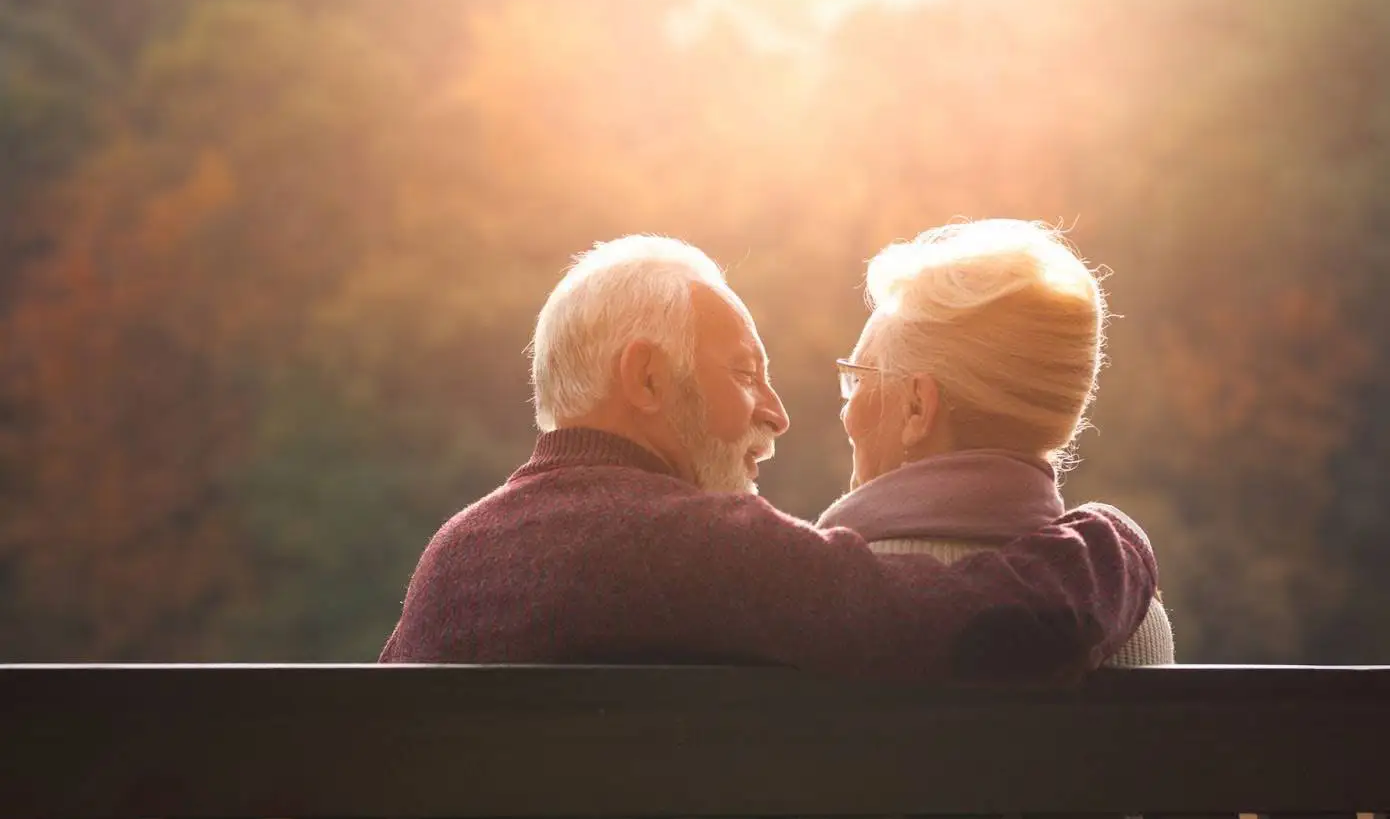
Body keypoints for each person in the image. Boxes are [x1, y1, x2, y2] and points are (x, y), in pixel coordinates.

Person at [380, 234, 1159, 685]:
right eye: (746, 374)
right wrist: (1113, 541)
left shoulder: (453, 558)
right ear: (648, 377)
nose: (779, 413)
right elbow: (989, 626)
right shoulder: (694, 549)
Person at [816, 218, 1173, 819]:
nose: (846, 410)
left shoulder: (834, 600)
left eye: (857, 378)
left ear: (919, 407)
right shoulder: (1137, 615)